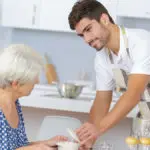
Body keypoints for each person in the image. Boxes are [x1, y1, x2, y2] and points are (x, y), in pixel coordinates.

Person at [68, 0, 150, 149]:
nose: (87, 40)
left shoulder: (142, 42)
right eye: (82, 35)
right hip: (145, 120)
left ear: (104, 19)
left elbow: (133, 95)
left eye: (89, 29)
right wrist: (88, 139)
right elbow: (102, 100)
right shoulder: (102, 58)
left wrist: (97, 130)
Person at [0, 44, 68, 150]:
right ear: (16, 84)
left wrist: (46, 143)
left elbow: (18, 146)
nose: (37, 81)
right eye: (33, 78)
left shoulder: (14, 103)